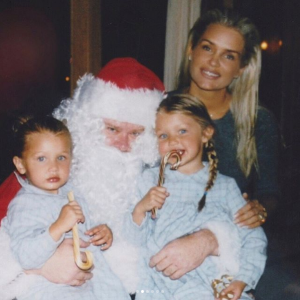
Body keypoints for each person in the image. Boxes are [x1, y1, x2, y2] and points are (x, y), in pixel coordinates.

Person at [125, 94, 267, 300]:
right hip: (161, 287)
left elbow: (253, 239)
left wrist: (242, 280)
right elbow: (132, 242)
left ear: (205, 133)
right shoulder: (148, 181)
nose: (173, 141)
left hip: (216, 284)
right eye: (163, 136)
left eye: (182, 131)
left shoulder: (225, 186)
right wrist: (140, 209)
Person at [171, 8, 279, 229]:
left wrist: (259, 210)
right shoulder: (159, 109)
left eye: (228, 56)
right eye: (207, 48)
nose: (213, 62)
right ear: (191, 49)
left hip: (229, 235)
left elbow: (270, 193)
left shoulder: (259, 121)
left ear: (241, 68)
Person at [1, 115, 130, 300]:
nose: (53, 167)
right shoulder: (24, 205)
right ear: (21, 164)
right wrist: (58, 227)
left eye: (61, 157)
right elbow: (25, 256)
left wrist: (103, 232)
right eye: (41, 158)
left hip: (94, 282)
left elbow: (88, 228)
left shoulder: (72, 192)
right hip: (51, 289)